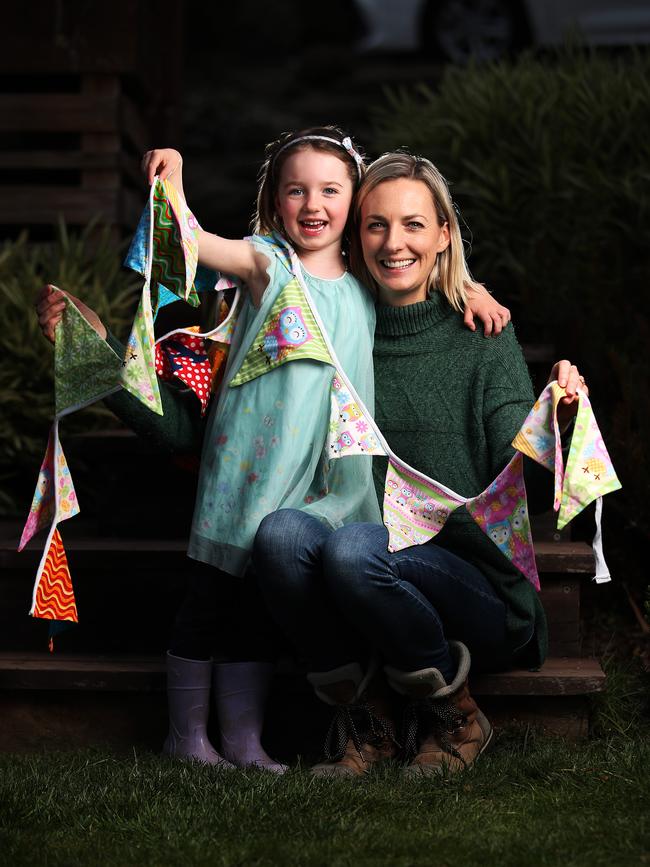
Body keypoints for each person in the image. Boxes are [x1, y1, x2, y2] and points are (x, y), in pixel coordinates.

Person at [37, 129, 509, 772]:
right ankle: (189, 738)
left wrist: (470, 290)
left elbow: (422, 272)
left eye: (330, 190)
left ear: (353, 202)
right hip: (250, 472)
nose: (313, 204)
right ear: (275, 199)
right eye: (296, 190)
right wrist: (171, 182)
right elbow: (194, 244)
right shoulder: (267, 262)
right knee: (210, 603)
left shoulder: (365, 281)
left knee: (258, 615)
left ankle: (247, 743)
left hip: (333, 483)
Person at [252, 151, 588, 777]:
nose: (393, 242)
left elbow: (526, 486)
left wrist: (557, 420)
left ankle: (455, 713)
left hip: (473, 584)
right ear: (356, 237)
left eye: (413, 225)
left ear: (443, 235)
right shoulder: (335, 326)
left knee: (355, 549)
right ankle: (367, 716)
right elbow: (261, 266)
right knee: (280, 537)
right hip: (360, 564)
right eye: (376, 224)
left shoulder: (482, 335)